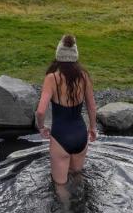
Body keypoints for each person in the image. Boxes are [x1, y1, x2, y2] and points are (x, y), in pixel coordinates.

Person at [35, 34, 98, 185]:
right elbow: (92, 106)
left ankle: (66, 208)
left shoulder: (52, 78)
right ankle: (80, 206)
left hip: (60, 136)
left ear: (58, 54)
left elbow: (41, 111)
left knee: (60, 185)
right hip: (80, 135)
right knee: (77, 177)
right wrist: (93, 127)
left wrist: (41, 127)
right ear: (75, 55)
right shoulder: (84, 76)